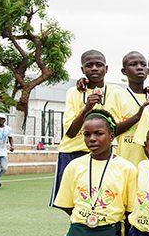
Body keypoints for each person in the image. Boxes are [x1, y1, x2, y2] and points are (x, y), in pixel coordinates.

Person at [53, 109, 137, 236]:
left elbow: (130, 211)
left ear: (112, 136)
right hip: (80, 231)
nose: (92, 139)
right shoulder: (74, 166)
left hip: (110, 233)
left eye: (99, 133)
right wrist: (85, 219)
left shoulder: (127, 168)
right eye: (87, 134)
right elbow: (66, 204)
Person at [51, 49, 123, 204]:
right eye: (89, 65)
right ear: (82, 70)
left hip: (103, 153)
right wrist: (86, 108)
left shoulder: (116, 92)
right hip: (73, 152)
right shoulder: (74, 92)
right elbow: (71, 133)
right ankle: (77, 220)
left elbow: (117, 127)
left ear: (106, 68)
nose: (94, 68)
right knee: (68, 200)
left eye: (99, 65)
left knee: (101, 199)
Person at [115, 51, 149, 166]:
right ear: (124, 71)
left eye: (143, 64)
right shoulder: (117, 95)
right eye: (133, 64)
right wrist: (138, 116)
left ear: (148, 71)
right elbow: (112, 131)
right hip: (125, 161)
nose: (140, 67)